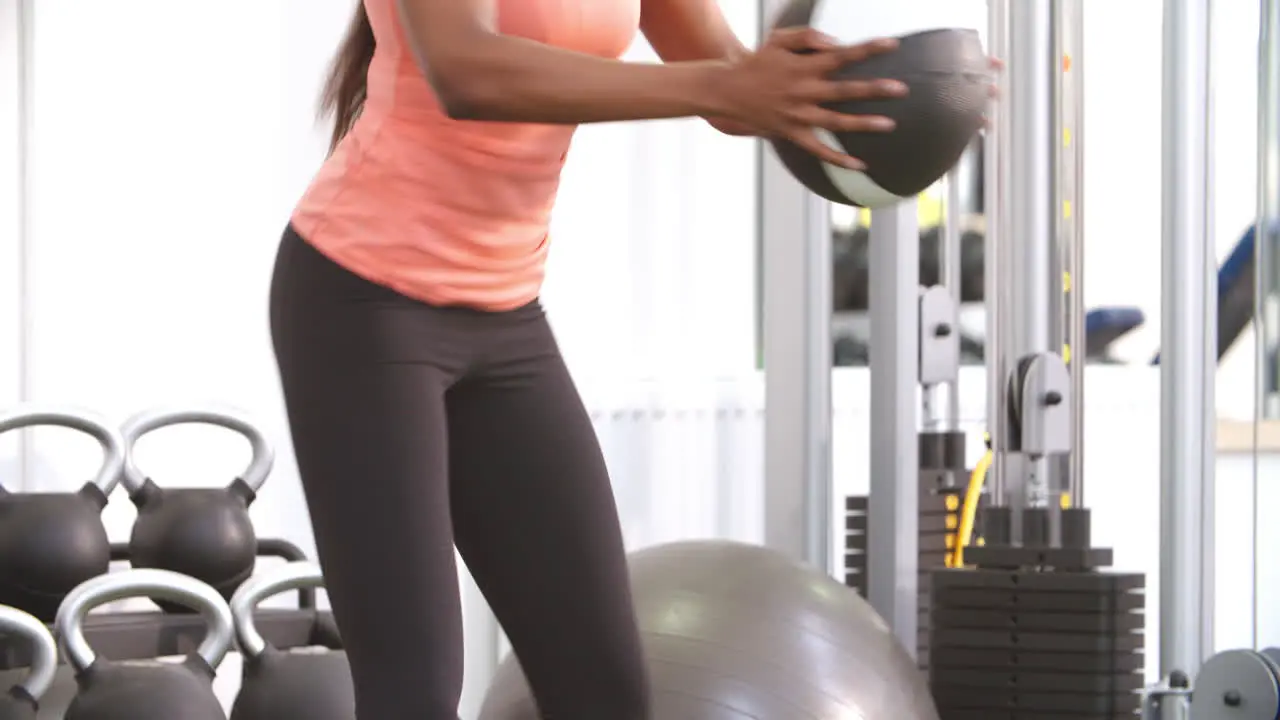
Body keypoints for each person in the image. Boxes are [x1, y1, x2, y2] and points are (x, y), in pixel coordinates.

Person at [268, 1, 978, 718]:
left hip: (505, 316)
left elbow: (730, 80)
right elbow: (466, 68)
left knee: (601, 688)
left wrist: (893, 91)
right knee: (412, 691)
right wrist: (723, 88)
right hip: (363, 304)